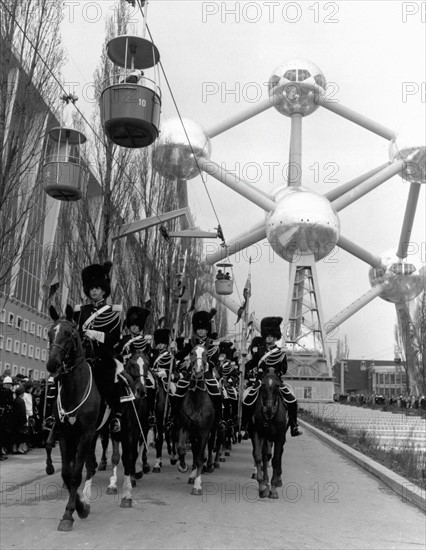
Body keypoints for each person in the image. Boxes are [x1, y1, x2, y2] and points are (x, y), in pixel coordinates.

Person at [74, 261, 122, 433]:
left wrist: (96, 335)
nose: (93, 291)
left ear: (103, 290)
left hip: (102, 357)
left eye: (97, 288)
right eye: (91, 288)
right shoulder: (80, 312)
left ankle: (115, 416)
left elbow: (115, 338)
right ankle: (55, 417)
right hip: (82, 357)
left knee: (111, 381)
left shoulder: (112, 312)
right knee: (59, 379)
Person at [243, 317, 302, 437]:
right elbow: (252, 364)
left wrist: (276, 372)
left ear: (276, 337)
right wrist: (243, 365)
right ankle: (245, 426)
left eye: (271, 336)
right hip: (261, 381)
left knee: (292, 400)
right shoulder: (259, 351)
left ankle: (293, 425)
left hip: (276, 381)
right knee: (248, 400)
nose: (269, 338)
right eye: (267, 336)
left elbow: (284, 369)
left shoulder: (280, 352)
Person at [172, 310, 223, 427]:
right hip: (192, 373)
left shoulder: (213, 344)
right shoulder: (191, 343)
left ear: (207, 330)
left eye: (203, 328)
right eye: (199, 328)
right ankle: (174, 417)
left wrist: (206, 366)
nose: (201, 330)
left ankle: (219, 420)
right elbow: (180, 355)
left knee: (216, 392)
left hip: (207, 373)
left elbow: (214, 360)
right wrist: (174, 350)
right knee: (179, 389)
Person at [0, 377, 14, 459]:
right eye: (7, 384)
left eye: (10, 384)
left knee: (3, 435)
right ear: (4, 384)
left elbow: (10, 403)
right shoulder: (1, 392)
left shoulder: (10, 392)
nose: (9, 386)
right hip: (1, 415)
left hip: (6, 416)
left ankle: (1, 452)